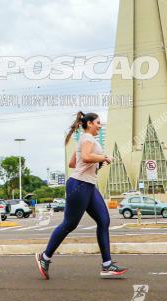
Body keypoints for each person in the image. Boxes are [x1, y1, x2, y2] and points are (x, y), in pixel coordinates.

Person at [36, 111, 127, 279]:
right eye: (98, 122)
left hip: (88, 185)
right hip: (79, 185)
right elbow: (85, 157)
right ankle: (45, 257)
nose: (100, 125)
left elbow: (73, 163)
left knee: (103, 220)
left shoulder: (84, 140)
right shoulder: (87, 138)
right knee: (70, 224)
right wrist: (103, 157)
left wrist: (97, 161)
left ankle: (107, 265)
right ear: (90, 124)